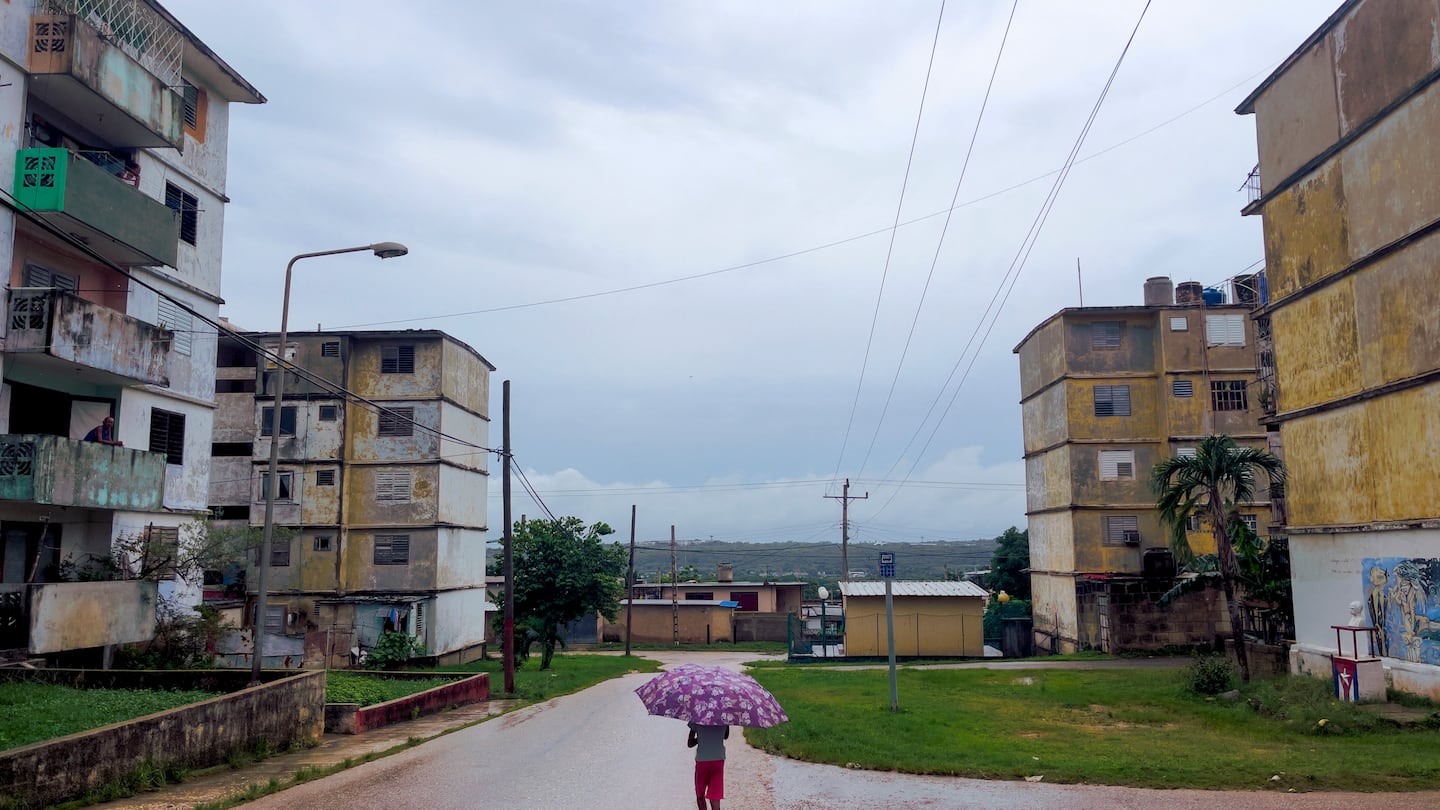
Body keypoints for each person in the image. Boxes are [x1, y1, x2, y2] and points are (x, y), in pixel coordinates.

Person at [687, 722, 729, 810]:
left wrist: (701, 738)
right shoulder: (724, 718)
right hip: (718, 760)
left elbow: (690, 743)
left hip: (702, 761)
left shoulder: (697, 717)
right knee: (715, 795)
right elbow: (725, 736)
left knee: (700, 794)